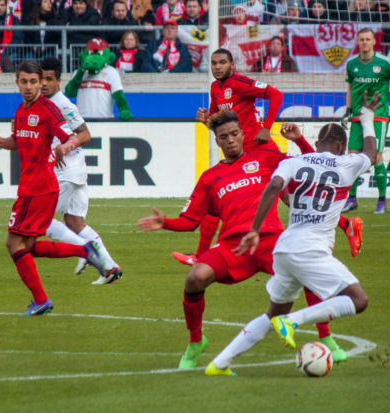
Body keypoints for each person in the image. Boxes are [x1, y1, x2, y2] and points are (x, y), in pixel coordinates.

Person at [137, 109, 331, 369]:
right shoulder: (209, 178)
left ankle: (327, 339)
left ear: (242, 134)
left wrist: (299, 140)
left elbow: (313, 166)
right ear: (216, 141)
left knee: (306, 272)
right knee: (195, 278)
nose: (230, 140)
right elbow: (191, 221)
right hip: (233, 246)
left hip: (271, 241)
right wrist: (166, 223)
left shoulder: (266, 158)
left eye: (234, 134)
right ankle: (196, 341)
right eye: (224, 136)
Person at [205, 93, 379, 376]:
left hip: (284, 249)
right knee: (358, 300)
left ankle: (219, 363)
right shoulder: (348, 164)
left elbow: (273, 187)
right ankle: (295, 321)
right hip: (311, 249)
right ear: (340, 146)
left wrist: (254, 229)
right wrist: (367, 119)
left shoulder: (293, 163)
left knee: (273, 314)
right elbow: (372, 154)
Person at [175, 48, 363, 266]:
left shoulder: (239, 83)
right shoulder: (215, 88)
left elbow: (276, 94)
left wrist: (266, 128)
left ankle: (201, 255)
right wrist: (206, 121)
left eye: (222, 63)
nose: (217, 67)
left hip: (261, 151)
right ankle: (346, 224)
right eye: (214, 63)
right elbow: (218, 124)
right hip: (243, 156)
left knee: (294, 184)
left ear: (232, 65)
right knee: (281, 196)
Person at [0, 60, 105, 316]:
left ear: (41, 83)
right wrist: (0, 142)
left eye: (33, 82)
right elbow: (18, 141)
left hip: (38, 187)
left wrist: (65, 147)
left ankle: (41, 299)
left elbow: (72, 136)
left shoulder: (48, 110)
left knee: (13, 243)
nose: (28, 87)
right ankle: (84, 250)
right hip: (32, 186)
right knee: (26, 246)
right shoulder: (20, 110)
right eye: (24, 82)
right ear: (17, 82)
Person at [39, 57, 123, 285]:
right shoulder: (44, 104)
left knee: (41, 220)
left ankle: (86, 250)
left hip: (66, 171)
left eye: (49, 79)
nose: (44, 84)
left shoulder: (63, 104)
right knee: (74, 222)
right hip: (75, 171)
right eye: (41, 79)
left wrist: (67, 146)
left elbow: (85, 134)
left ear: (58, 80)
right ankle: (111, 268)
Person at [341, 27, 390, 214]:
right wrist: (347, 110)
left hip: (378, 116)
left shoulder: (385, 63)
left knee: (376, 157)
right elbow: (349, 88)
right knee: (352, 158)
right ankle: (352, 198)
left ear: (374, 42)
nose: (364, 42)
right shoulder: (351, 64)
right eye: (361, 39)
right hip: (356, 117)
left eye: (368, 39)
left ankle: (381, 199)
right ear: (357, 41)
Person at [65, 37, 133, 119]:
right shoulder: (78, 72)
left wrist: (123, 109)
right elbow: (70, 93)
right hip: (82, 121)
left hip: (105, 120)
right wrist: (80, 71)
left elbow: (118, 95)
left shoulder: (111, 72)